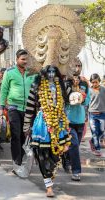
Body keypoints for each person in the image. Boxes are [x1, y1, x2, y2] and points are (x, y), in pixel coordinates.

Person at [23, 65, 71, 197]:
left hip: (59, 124)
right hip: (42, 124)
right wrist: (27, 126)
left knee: (55, 156)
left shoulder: (63, 86)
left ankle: (51, 177)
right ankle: (48, 186)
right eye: (48, 72)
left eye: (53, 72)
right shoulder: (36, 86)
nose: (50, 74)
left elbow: (69, 102)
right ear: (43, 73)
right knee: (42, 154)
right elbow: (30, 107)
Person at [0, 49, 36, 170]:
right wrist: (1, 107)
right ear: (17, 59)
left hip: (29, 108)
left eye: (27, 59)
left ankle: (21, 157)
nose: (25, 61)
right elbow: (4, 90)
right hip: (14, 107)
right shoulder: (9, 72)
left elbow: (37, 88)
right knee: (15, 134)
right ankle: (17, 162)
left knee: (25, 136)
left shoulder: (32, 73)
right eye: (23, 59)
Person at [65, 75, 90, 181]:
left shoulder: (84, 85)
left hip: (80, 121)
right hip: (69, 121)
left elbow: (87, 101)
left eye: (79, 66)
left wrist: (82, 97)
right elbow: (63, 99)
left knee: (74, 145)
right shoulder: (66, 84)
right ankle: (76, 172)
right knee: (74, 144)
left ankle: (66, 159)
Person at [88, 73, 105, 157]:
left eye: (96, 82)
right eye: (93, 82)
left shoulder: (103, 89)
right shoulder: (89, 90)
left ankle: (92, 141)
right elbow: (86, 103)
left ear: (99, 81)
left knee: (101, 131)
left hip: (102, 114)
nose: (94, 84)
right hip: (92, 115)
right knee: (94, 132)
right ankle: (97, 149)